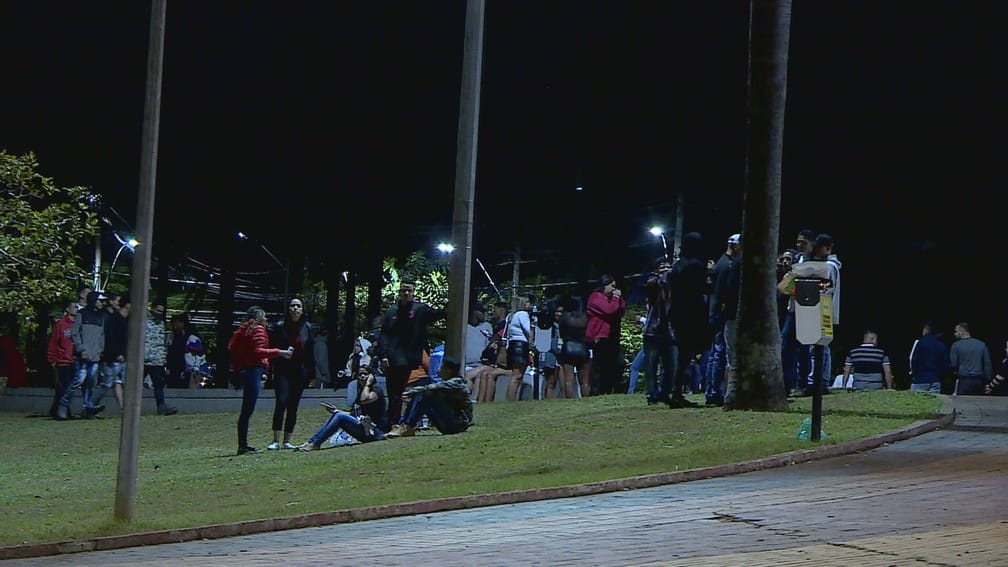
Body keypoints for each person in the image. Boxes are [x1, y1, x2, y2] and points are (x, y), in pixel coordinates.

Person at [376, 280, 445, 425]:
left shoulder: (420, 309)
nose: (406, 293)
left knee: (412, 394)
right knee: (395, 395)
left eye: (409, 290)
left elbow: (437, 315)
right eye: (403, 290)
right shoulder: (392, 312)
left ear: (413, 293)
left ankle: (417, 421)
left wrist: (448, 305)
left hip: (410, 359)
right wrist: (383, 356)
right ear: (399, 292)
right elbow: (384, 335)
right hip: (393, 358)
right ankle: (391, 423)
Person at [228, 305, 292, 455]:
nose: (266, 319)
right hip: (253, 370)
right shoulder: (258, 329)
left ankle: (242, 444)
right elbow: (258, 351)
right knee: (247, 409)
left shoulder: (244, 330)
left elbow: (234, 349)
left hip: (245, 370)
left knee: (246, 410)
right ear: (257, 318)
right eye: (263, 316)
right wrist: (280, 352)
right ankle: (242, 445)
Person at [267, 297, 318, 450]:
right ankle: (275, 440)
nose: (295, 308)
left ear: (302, 310)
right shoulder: (280, 326)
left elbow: (310, 352)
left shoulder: (307, 327)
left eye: (298, 306)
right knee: (281, 402)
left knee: (293, 406)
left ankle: (287, 440)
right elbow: (272, 349)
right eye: (293, 306)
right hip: (282, 369)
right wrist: (269, 371)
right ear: (288, 309)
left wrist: (312, 374)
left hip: (299, 370)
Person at [296, 367, 388, 451]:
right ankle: (311, 442)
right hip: (365, 429)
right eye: (360, 374)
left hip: (376, 432)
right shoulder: (361, 392)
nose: (363, 376)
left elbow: (364, 400)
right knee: (337, 415)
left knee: (340, 416)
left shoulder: (376, 390)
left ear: (371, 376)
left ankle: (315, 443)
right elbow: (354, 414)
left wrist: (368, 384)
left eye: (366, 373)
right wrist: (336, 411)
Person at [386, 356, 473, 438]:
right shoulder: (449, 383)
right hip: (448, 423)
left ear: (449, 370)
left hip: (458, 425)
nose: (439, 370)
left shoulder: (456, 383)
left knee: (425, 395)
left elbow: (434, 387)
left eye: (442, 367)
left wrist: (412, 391)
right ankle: (406, 426)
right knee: (422, 397)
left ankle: (407, 426)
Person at [58, 290, 106, 420]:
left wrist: (100, 350)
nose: (102, 303)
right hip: (83, 355)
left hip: (95, 355)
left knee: (91, 382)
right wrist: (81, 349)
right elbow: (75, 333)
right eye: (99, 301)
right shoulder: (82, 315)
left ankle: (87, 408)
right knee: (78, 380)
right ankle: (63, 404)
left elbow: (101, 336)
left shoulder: (101, 317)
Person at [585, 274, 626, 396]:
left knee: (617, 364)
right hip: (599, 337)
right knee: (600, 366)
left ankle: (610, 389)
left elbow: (620, 311)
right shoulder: (595, 297)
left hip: (612, 337)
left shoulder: (613, 299)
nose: (614, 289)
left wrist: (620, 299)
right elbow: (609, 310)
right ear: (604, 285)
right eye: (612, 286)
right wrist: (615, 299)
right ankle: (597, 391)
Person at [642, 257, 675, 405]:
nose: (665, 270)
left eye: (668, 267)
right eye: (662, 268)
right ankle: (651, 394)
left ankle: (665, 393)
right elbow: (652, 285)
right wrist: (663, 276)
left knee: (670, 365)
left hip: (670, 330)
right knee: (651, 365)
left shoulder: (674, 285)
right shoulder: (653, 283)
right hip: (652, 330)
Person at [92, 295, 129, 410]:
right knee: (107, 383)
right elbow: (110, 338)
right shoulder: (114, 319)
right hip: (113, 358)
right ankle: (90, 404)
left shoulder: (126, 319)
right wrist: (117, 353)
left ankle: (123, 407)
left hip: (122, 357)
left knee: (118, 382)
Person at [143, 300, 178, 416]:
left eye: (162, 311)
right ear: (152, 309)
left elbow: (161, 342)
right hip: (144, 359)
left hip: (156, 360)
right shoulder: (144, 322)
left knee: (158, 384)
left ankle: (161, 406)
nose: (159, 313)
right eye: (158, 310)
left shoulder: (161, 324)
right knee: (136, 385)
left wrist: (163, 357)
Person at [47, 299, 78, 419]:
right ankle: (63, 411)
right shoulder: (61, 324)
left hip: (75, 360)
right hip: (63, 361)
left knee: (69, 387)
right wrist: (52, 359)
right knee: (65, 386)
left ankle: (57, 409)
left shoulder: (78, 324)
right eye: (74, 307)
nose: (77, 309)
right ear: (67, 309)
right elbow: (54, 342)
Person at [950, 322, 992, 395]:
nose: (954, 334)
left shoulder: (956, 345)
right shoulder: (982, 344)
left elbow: (953, 364)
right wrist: (988, 382)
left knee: (962, 404)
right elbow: (987, 364)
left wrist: (955, 373)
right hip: (979, 380)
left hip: (964, 379)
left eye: (956, 331)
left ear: (962, 332)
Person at [504, 295, 533, 401]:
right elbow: (527, 329)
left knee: (516, 374)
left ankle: (512, 397)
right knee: (517, 375)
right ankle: (510, 399)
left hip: (513, 345)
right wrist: (532, 341)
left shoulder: (512, 316)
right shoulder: (523, 314)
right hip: (520, 346)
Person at [909, 322, 948, 394]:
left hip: (920, 379)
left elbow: (912, 360)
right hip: (935, 379)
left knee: (917, 403)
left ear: (925, 330)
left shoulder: (919, 343)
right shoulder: (941, 345)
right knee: (934, 403)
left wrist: (914, 373)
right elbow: (945, 364)